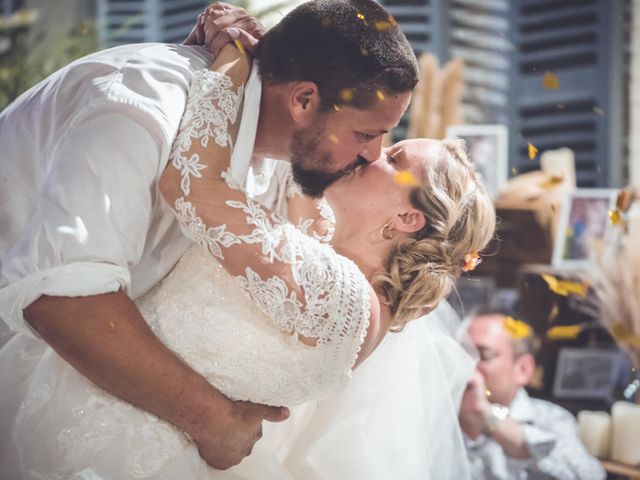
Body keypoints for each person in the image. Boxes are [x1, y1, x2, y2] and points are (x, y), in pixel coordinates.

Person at [0, 40, 495, 478]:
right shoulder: (326, 256)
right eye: (375, 139)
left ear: (408, 220)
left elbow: (194, 184)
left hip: (113, 439)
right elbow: (301, 173)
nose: (372, 155)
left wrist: (234, 62)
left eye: (394, 158)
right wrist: (276, 66)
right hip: (106, 399)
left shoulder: (338, 296)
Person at [459, 311, 606, 479]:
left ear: (523, 369)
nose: (467, 365)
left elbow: (588, 476)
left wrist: (487, 416)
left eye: (483, 355)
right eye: (463, 353)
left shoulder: (551, 419)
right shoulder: (440, 415)